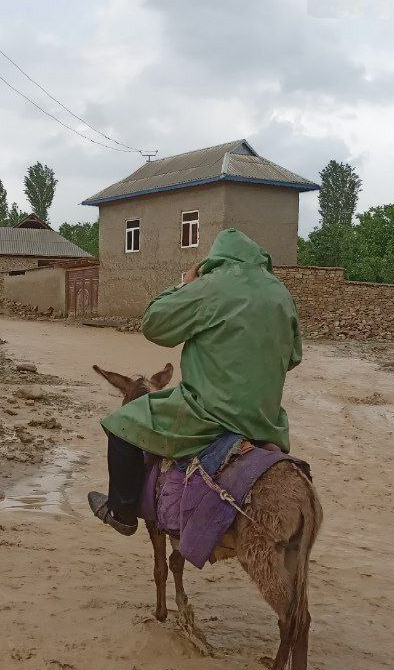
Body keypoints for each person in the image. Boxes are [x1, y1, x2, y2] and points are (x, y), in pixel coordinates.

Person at [88, 228, 303, 536]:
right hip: (267, 420)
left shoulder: (210, 286)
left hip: (208, 414)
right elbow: (293, 356)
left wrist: (184, 286)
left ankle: (122, 511)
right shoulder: (281, 293)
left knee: (120, 424)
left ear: (216, 260)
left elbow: (154, 325)